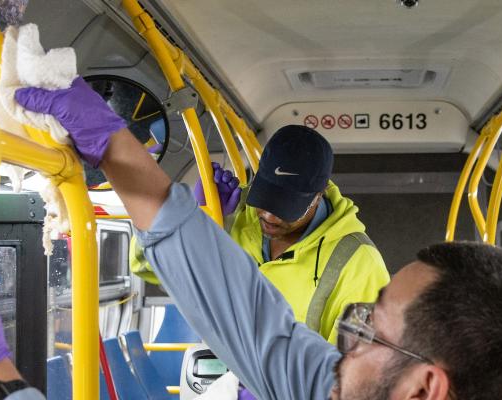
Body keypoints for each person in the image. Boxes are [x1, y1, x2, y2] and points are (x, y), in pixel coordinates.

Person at [0, 78, 502, 400]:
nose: (347, 331)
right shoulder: (342, 390)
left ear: (426, 390)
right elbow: (250, 312)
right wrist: (114, 146)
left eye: (371, 326)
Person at [131, 124, 390, 343]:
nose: (268, 215)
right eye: (265, 200)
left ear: (317, 195)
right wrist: (195, 218)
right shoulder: (232, 215)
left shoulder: (360, 264)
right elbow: (148, 267)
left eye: (285, 207)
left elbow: (361, 371)